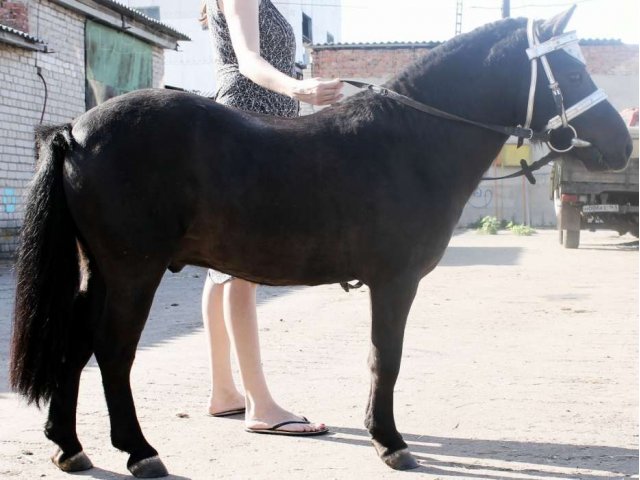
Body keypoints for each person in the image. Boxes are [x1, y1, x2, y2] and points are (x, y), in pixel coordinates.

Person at [200, 0, 343, 435]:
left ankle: (224, 391)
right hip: (248, 123)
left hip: (256, 122)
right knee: (245, 264)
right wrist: (299, 90)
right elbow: (248, 61)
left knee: (221, 270)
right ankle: (260, 405)